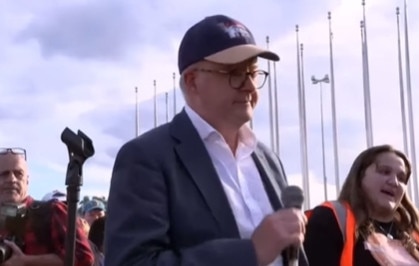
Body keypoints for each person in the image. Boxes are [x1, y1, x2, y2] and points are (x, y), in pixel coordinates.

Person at [105, 14, 308, 266]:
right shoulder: (146, 157)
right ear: (192, 82)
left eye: (253, 72)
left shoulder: (268, 159)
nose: (249, 86)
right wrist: (251, 252)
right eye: (234, 72)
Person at [303, 144, 419, 266]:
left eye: (401, 178)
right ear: (360, 176)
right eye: (384, 172)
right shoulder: (330, 219)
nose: (394, 182)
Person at [0, 147, 94, 266]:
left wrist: (25, 261)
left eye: (18, 174)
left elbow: (83, 257)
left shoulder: (52, 211)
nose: (12, 179)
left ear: (27, 181)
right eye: (4, 174)